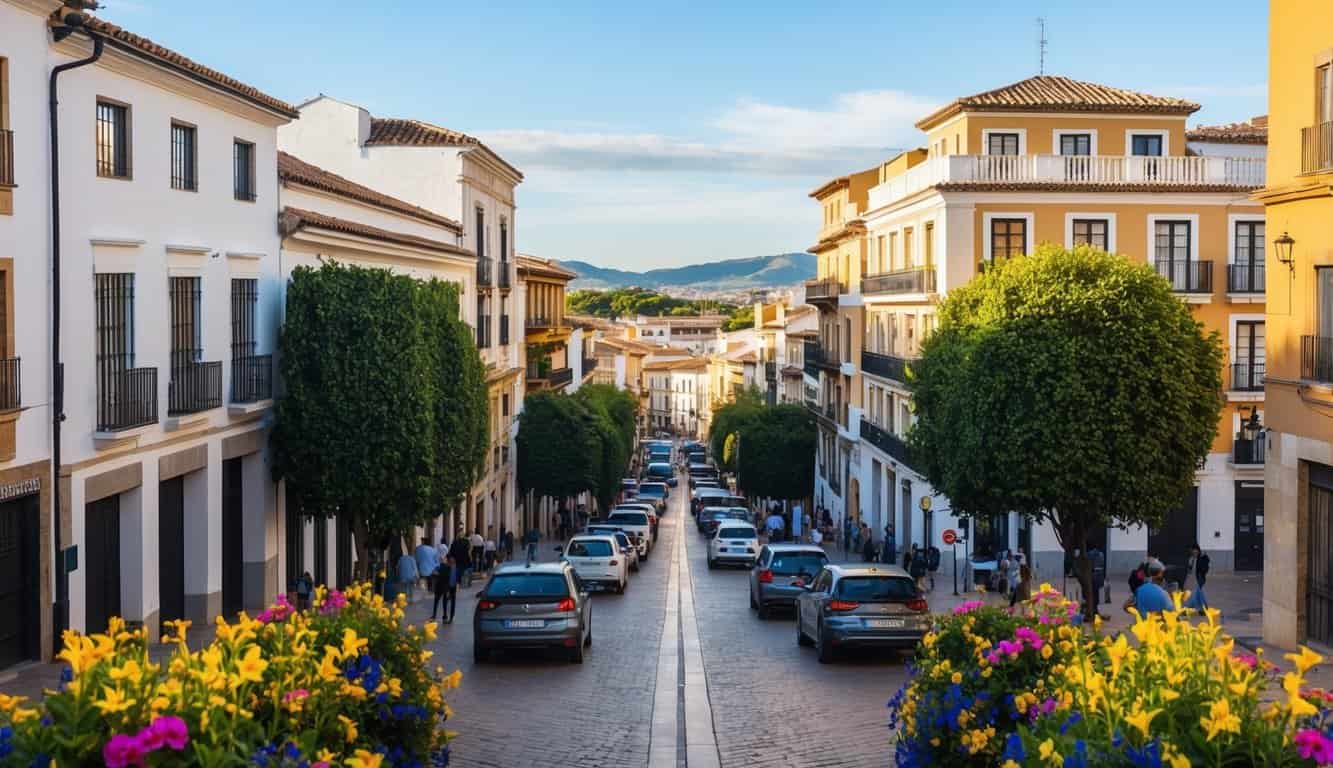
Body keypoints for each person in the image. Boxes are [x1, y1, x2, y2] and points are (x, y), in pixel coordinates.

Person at [432, 554, 460, 623]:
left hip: (451, 587)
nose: (451, 561)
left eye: (452, 560)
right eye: (450, 560)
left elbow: (457, 578)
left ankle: (449, 617)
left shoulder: (455, 568)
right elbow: (436, 573)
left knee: (449, 601)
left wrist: (457, 585)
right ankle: (442, 616)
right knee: (442, 600)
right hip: (444, 587)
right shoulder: (444, 567)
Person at [1184, 544, 1211, 611]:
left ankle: (1194, 607)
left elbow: (1204, 567)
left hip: (1199, 577)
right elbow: (1189, 568)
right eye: (1193, 551)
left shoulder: (1201, 557)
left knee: (1197, 592)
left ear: (1198, 550)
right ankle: (1202, 607)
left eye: (1196, 551)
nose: (1195, 553)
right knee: (1198, 592)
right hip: (1192, 578)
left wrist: (1204, 557)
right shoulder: (1192, 558)